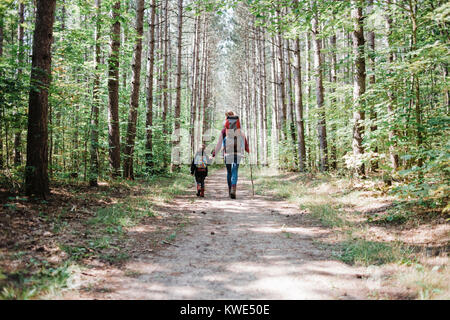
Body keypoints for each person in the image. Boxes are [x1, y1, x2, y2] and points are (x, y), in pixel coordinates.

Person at [212, 111, 249, 199]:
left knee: (229, 172)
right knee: (235, 170)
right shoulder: (239, 130)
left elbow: (219, 144)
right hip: (238, 153)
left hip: (227, 154)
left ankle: (230, 190)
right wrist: (248, 150)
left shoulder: (224, 130)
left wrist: (213, 154)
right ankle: (233, 187)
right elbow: (244, 141)